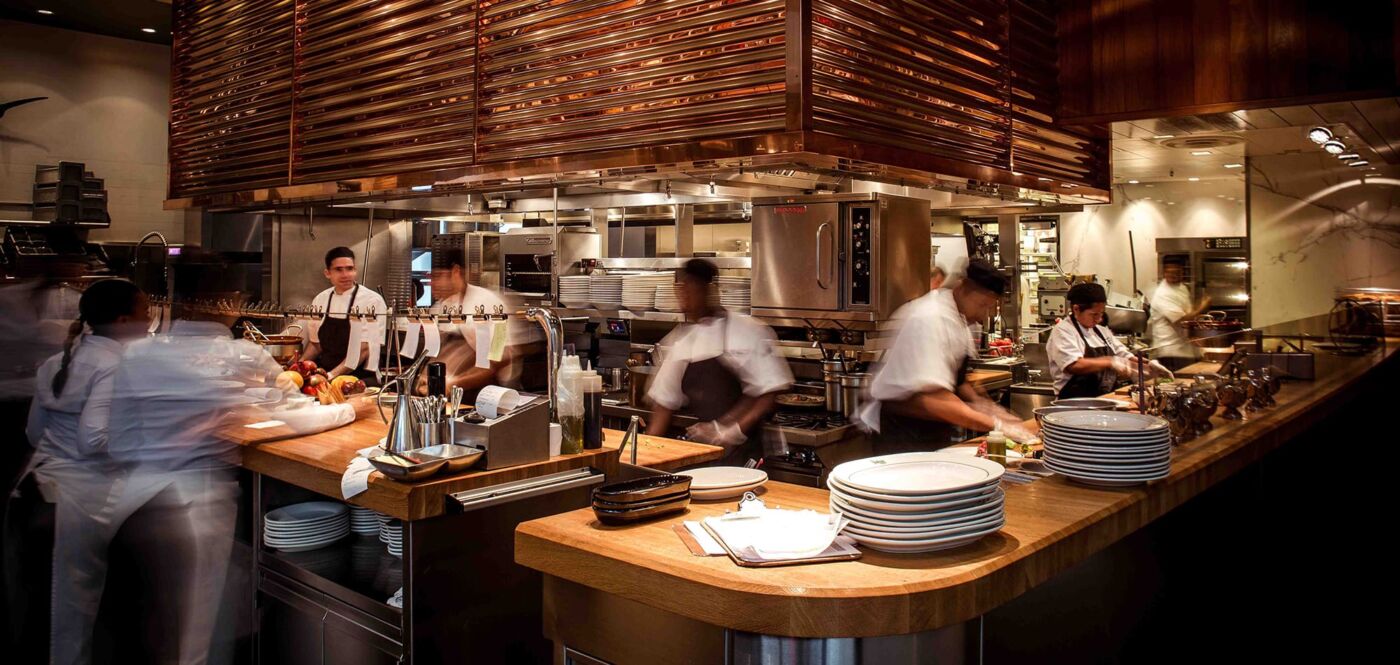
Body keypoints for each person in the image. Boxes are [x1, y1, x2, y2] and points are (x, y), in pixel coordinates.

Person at [23, 279, 149, 665]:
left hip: (36, 489)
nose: (149, 322)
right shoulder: (114, 365)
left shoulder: (59, 360)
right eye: (146, 314)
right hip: (83, 498)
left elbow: (33, 432)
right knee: (72, 613)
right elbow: (92, 441)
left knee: (41, 605)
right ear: (124, 320)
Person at [858, 260, 1032, 453]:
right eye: (982, 305)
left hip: (932, 427)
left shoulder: (959, 316)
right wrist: (996, 424)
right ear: (963, 287)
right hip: (904, 431)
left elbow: (957, 380)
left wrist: (987, 406)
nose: (983, 316)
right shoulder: (930, 318)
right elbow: (932, 399)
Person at [646, 259, 792, 466]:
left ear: (709, 290)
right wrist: (645, 454)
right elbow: (663, 404)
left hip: (743, 455)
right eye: (681, 288)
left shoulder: (748, 331)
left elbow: (767, 394)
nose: (684, 295)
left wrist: (730, 431)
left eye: (692, 287)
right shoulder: (680, 341)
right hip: (703, 454)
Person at [1048, 283, 1170, 399]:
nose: (1099, 319)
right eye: (1094, 314)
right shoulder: (1063, 331)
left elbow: (1123, 355)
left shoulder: (1101, 331)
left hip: (1103, 399)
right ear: (1076, 309)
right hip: (1073, 404)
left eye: (1101, 314)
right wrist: (1110, 361)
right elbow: (1073, 365)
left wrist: (1149, 365)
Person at [427, 247, 518, 395]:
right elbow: (440, 351)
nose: (432, 283)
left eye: (437, 276)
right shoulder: (440, 308)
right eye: (431, 277)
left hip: (492, 393)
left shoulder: (490, 303)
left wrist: (454, 383)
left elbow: (501, 356)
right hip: (454, 393)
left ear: (456, 272)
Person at [302, 246, 387, 380]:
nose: (346, 275)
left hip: (361, 378)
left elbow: (364, 348)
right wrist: (298, 368)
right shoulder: (320, 299)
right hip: (325, 374)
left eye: (349, 268)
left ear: (355, 270)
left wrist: (331, 375)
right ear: (327, 273)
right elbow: (315, 344)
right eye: (339, 270)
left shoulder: (372, 301)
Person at [1148, 259, 1210, 372]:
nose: (1173, 274)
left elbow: (1187, 314)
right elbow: (1181, 321)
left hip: (1186, 349)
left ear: (1182, 271)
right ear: (1164, 272)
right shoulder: (1163, 294)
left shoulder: (1182, 288)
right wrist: (1202, 307)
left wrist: (1194, 337)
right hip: (1171, 351)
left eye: (1177, 271)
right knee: (1177, 385)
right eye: (1170, 271)